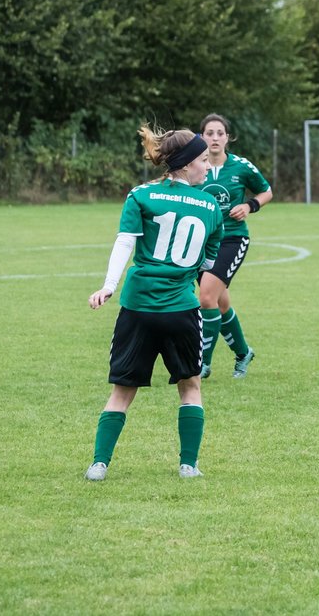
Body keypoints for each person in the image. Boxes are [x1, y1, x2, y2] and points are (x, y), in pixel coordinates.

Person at [85, 125, 225, 481]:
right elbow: (207, 263)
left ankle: (99, 464)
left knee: (122, 391)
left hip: (139, 308)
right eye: (203, 160)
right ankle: (188, 465)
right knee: (190, 386)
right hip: (181, 309)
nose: (208, 167)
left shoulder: (141, 195)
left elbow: (125, 242)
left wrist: (108, 285)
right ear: (185, 163)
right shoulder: (210, 205)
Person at [196, 113, 273, 379]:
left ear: (228, 138)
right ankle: (243, 353)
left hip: (232, 239)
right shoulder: (194, 167)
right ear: (201, 137)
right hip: (200, 244)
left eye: (220, 133)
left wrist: (250, 205)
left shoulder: (241, 166)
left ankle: (202, 364)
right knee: (219, 303)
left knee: (206, 297)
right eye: (209, 133)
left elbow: (266, 191)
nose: (215, 138)